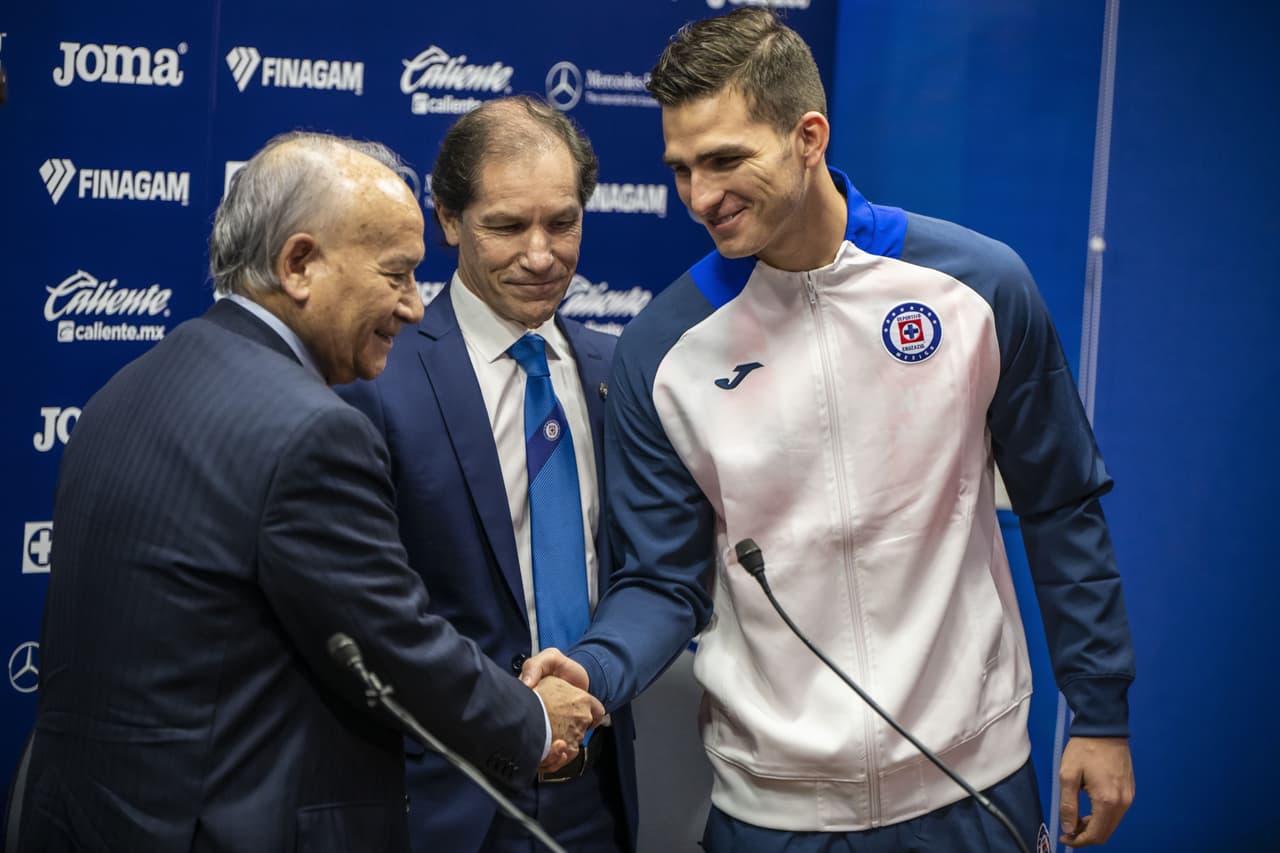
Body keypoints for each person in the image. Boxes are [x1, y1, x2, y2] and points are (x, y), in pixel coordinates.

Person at [522, 8, 1136, 852]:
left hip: (969, 781)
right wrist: (593, 666)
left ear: (808, 135)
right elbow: (664, 582)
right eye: (682, 169)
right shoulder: (663, 351)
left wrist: (1101, 714)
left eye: (727, 160)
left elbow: (1062, 506)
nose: (701, 196)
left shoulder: (977, 288)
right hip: (774, 810)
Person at [15, 132, 601, 853]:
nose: (416, 307)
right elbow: (392, 645)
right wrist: (533, 719)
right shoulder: (312, 430)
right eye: (398, 274)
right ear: (300, 264)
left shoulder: (127, 387)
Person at [339, 96, 636, 853]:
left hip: (603, 797)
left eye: (562, 222)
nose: (540, 254)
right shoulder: (376, 378)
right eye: (506, 226)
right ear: (447, 221)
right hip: (444, 808)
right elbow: (366, 620)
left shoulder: (617, 372)